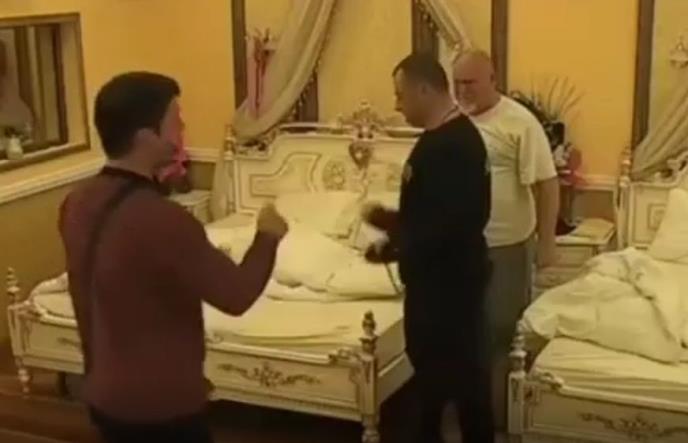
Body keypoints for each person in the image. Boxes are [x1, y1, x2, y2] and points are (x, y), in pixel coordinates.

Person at [58, 72, 288, 443]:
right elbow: (237, 294)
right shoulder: (163, 219)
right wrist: (268, 235)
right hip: (160, 407)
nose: (182, 128)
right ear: (146, 136)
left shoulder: (76, 202)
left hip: (102, 390)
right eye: (175, 119)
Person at [363, 53, 493, 443]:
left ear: (424, 90)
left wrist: (394, 246)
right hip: (436, 289)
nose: (397, 105)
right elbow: (431, 213)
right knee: (435, 389)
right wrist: (390, 221)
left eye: (400, 95)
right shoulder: (440, 138)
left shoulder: (456, 145)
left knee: (464, 391)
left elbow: (452, 226)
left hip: (448, 294)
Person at [452, 49, 559, 429]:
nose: (463, 91)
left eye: (470, 82)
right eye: (457, 83)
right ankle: (465, 416)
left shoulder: (519, 122)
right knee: (462, 331)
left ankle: (499, 422)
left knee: (500, 331)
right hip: (459, 248)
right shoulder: (451, 121)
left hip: (506, 247)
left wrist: (547, 242)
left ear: (492, 80)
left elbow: (547, 184)